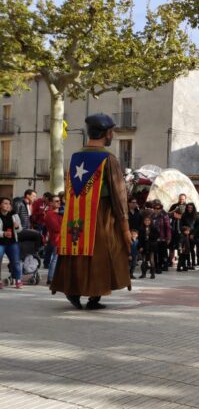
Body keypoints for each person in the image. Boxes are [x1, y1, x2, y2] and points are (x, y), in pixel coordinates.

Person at [51, 114, 131, 310]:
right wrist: (125, 226)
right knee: (103, 255)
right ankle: (94, 296)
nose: (112, 135)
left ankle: (73, 290)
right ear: (106, 133)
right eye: (111, 131)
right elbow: (119, 195)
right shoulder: (108, 159)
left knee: (75, 252)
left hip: (75, 216)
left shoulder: (76, 157)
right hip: (101, 214)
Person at [0, 196, 23, 289]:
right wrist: (3, 234)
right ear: (0, 205)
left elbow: (20, 229)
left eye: (9, 203)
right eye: (5, 203)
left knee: (16, 261)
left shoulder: (14, 215)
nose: (8, 205)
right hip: (1, 242)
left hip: (12, 242)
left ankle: (18, 280)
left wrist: (17, 227)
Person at [43, 195, 63, 285]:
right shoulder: (50, 214)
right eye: (56, 201)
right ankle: (50, 279)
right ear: (50, 203)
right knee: (55, 258)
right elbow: (57, 228)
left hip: (61, 238)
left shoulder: (60, 213)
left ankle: (55, 278)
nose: (58, 202)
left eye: (59, 201)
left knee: (57, 259)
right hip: (56, 239)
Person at [151, 200, 171, 273]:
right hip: (153, 238)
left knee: (162, 253)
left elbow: (168, 227)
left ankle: (161, 266)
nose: (157, 210)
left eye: (158, 208)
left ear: (161, 208)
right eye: (155, 208)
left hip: (162, 238)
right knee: (154, 253)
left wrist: (168, 237)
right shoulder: (152, 216)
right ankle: (155, 266)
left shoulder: (164, 216)